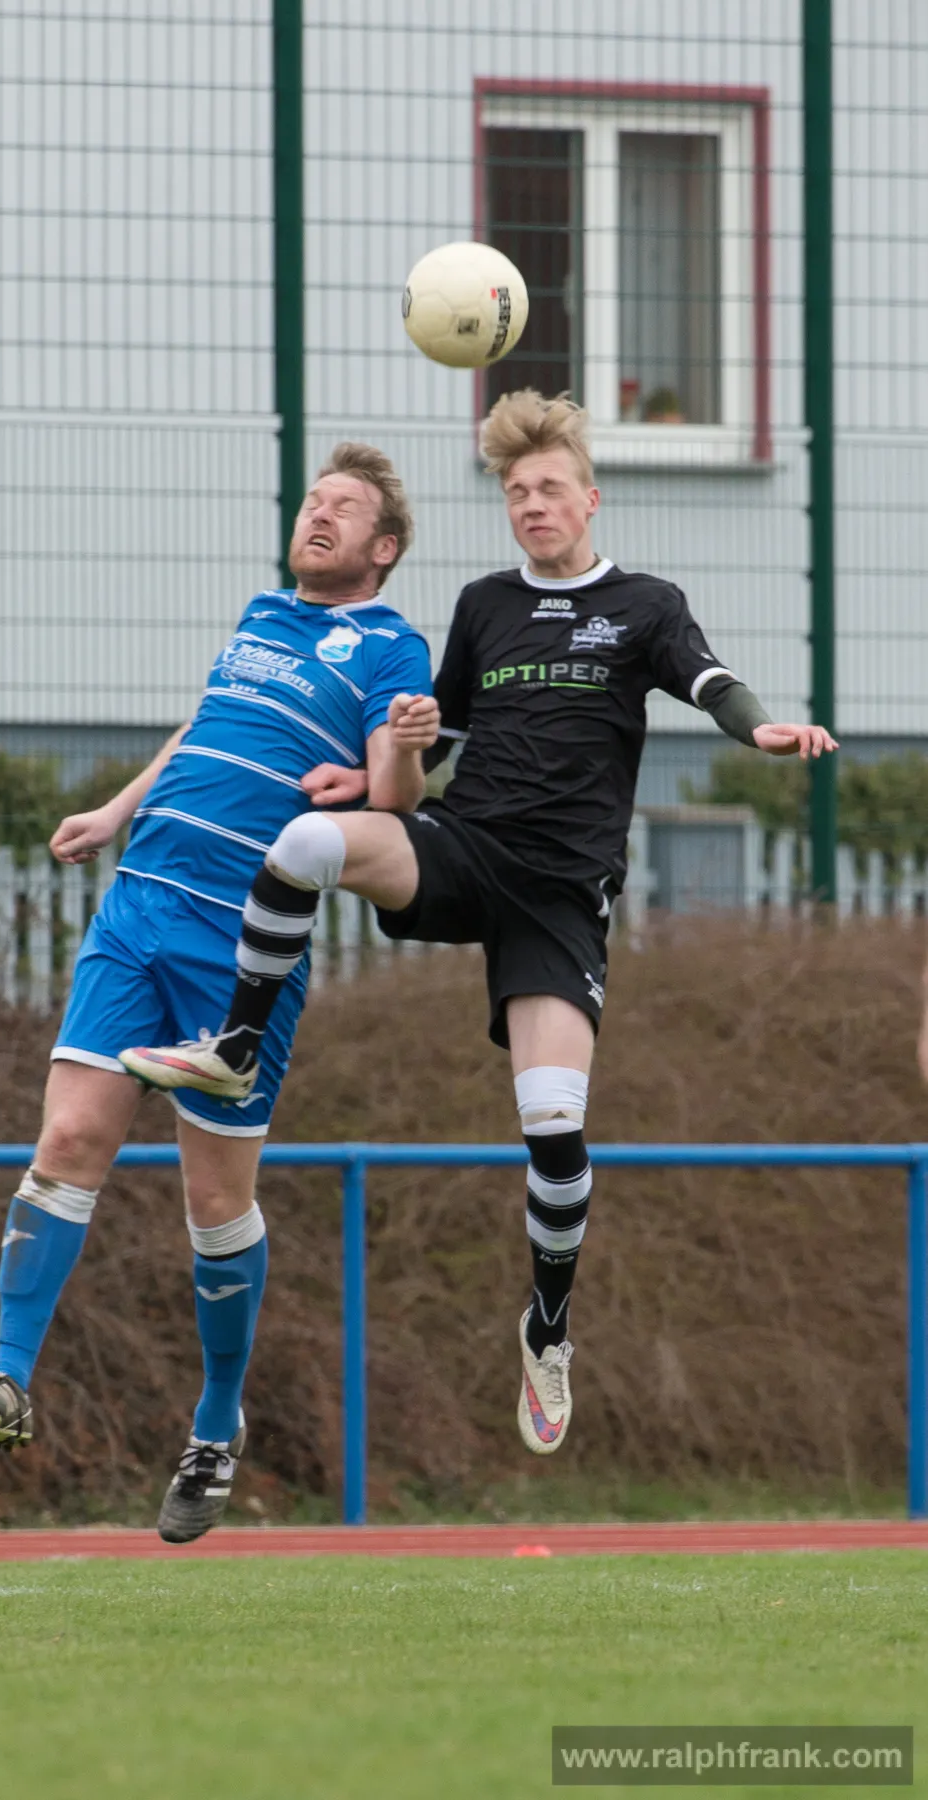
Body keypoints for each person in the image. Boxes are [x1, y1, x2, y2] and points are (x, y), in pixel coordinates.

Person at [123, 388, 839, 1461]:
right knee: (306, 842)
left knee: (551, 1126)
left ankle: (547, 1327)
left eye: (548, 488)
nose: (531, 505)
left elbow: (710, 679)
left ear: (589, 499)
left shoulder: (644, 604)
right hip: (463, 847)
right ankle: (234, 1046)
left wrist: (761, 728)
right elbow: (431, 743)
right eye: (515, 492)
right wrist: (385, 756)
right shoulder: (484, 604)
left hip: (559, 898)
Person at [0, 443, 437, 1542]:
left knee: (214, 1202)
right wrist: (118, 808)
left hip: (241, 945)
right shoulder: (261, 615)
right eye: (313, 500)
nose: (317, 515)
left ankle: (216, 1424)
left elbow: (394, 799)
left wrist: (404, 755)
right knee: (68, 1139)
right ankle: (8, 1376)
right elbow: (199, 728)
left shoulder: (390, 646)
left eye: (343, 508)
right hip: (139, 907)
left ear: (384, 548)